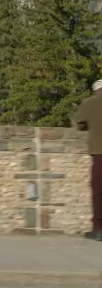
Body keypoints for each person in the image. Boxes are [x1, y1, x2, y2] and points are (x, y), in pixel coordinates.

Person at [72, 79, 102, 240]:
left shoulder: (89, 103)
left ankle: (98, 229)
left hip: (99, 153)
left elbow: (79, 124)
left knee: (98, 192)